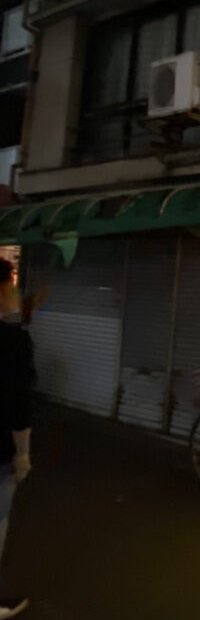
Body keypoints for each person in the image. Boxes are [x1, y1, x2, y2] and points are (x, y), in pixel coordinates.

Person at [0, 258, 32, 619]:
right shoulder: (13, 341)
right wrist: (22, 453)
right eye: (11, 286)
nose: (14, 292)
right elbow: (17, 402)